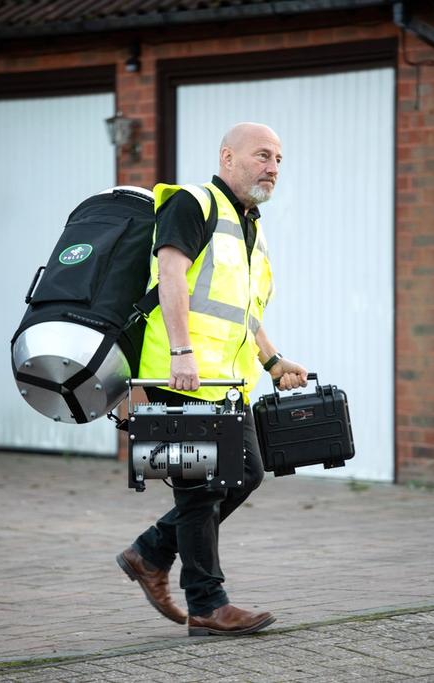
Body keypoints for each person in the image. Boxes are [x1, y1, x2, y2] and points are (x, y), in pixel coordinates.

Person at [117, 122, 308, 636]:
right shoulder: (192, 203)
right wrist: (180, 351)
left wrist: (273, 361)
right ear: (228, 157)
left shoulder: (250, 223)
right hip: (179, 374)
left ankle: (151, 552)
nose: (272, 167)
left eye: (279, 159)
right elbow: (171, 275)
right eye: (262, 155)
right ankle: (207, 604)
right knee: (200, 490)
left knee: (246, 474)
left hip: (226, 383)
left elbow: (244, 308)